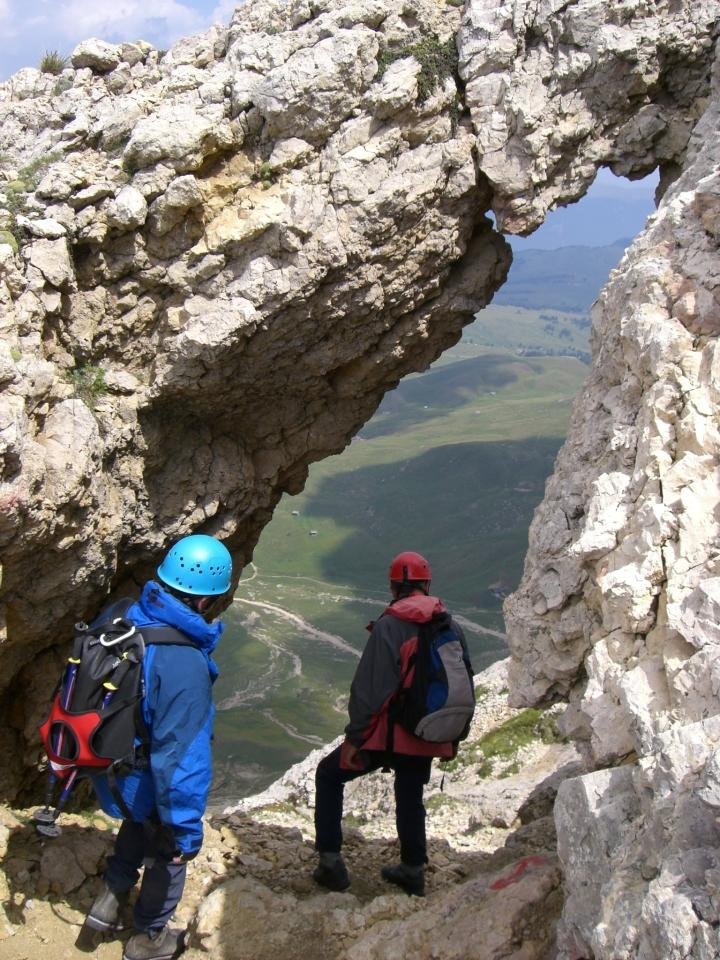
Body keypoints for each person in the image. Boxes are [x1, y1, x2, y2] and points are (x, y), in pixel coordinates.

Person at [83, 533, 233, 960]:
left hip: (112, 769)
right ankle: (148, 937)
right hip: (144, 775)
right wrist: (185, 830)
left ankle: (107, 903)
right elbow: (182, 760)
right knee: (170, 847)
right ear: (206, 600)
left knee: (140, 819)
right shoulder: (183, 662)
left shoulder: (126, 617)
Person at [312, 550, 469, 898]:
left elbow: (369, 689)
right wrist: (452, 739)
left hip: (386, 736)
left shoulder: (390, 625)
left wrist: (355, 739)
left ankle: (331, 864)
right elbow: (462, 686)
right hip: (427, 733)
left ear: (394, 586)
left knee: (328, 774)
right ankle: (413, 870)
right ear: (426, 584)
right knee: (410, 795)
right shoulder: (450, 624)